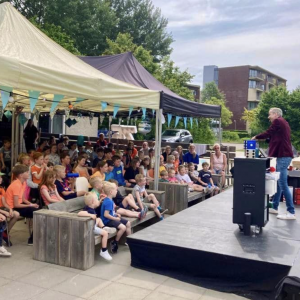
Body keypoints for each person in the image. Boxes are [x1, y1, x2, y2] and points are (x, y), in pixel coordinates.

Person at [252, 107, 296, 220]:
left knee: (282, 183)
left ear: (276, 114)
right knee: (279, 182)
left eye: (270, 114)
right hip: (283, 155)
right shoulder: (283, 122)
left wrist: (256, 137)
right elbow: (274, 137)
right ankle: (275, 206)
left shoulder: (277, 121)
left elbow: (268, 132)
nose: (269, 117)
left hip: (283, 156)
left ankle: (291, 212)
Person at [5, 165, 39, 245]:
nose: (28, 174)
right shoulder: (16, 184)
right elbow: (16, 205)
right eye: (27, 172)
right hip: (12, 207)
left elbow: (23, 199)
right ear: (21, 175)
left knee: (39, 211)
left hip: (19, 205)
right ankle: (32, 240)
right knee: (38, 214)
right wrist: (30, 206)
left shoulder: (23, 183)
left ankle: (33, 238)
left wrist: (31, 204)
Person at [78, 192, 114, 261]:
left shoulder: (89, 207)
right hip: (92, 228)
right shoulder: (89, 210)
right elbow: (80, 213)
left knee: (99, 219)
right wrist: (90, 215)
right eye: (97, 199)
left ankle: (104, 227)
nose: (98, 201)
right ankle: (104, 251)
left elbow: (97, 205)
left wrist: (100, 200)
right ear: (92, 202)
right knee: (105, 234)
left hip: (93, 224)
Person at [100, 181, 131, 254]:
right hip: (107, 221)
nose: (117, 191)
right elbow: (106, 215)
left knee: (128, 223)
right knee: (123, 227)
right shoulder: (108, 202)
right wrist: (115, 218)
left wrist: (116, 215)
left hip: (112, 217)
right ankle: (115, 242)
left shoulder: (110, 199)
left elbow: (111, 212)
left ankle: (129, 240)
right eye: (115, 190)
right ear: (111, 192)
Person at [0, 173, 20, 246]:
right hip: (0, 210)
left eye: (1, 178)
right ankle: (2, 234)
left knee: (16, 214)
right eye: (0, 178)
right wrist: (3, 212)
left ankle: (5, 232)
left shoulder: (2, 189)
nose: (1, 179)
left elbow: (4, 203)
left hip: (2, 208)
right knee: (4, 217)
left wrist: (10, 209)